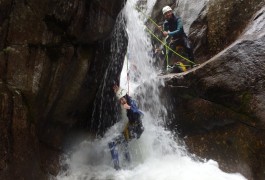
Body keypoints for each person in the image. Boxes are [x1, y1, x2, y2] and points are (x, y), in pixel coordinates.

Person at [108, 85, 144, 170]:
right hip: (134, 128)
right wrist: (118, 90)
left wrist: (130, 108)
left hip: (136, 129)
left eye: (122, 99)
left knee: (112, 143)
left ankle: (117, 168)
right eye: (120, 100)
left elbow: (140, 113)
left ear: (125, 97)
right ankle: (129, 164)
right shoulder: (128, 100)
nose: (121, 101)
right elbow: (125, 95)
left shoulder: (131, 103)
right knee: (124, 142)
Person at [160, 5, 195, 73]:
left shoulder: (178, 19)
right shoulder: (166, 23)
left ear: (171, 12)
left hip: (182, 37)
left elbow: (179, 30)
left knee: (189, 47)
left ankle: (192, 65)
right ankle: (163, 70)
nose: (168, 14)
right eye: (166, 13)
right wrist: (161, 31)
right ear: (164, 15)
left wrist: (168, 34)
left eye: (169, 12)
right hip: (175, 39)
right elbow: (165, 34)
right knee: (168, 53)